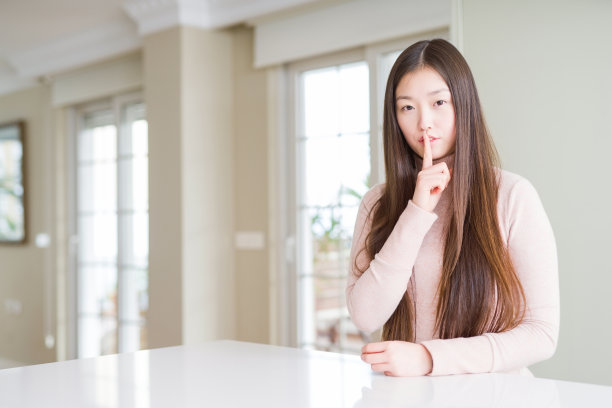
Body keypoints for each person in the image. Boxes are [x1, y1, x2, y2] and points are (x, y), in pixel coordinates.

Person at [346, 39, 559, 377]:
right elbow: (366, 316)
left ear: (465, 104)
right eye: (407, 107)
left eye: (439, 102)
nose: (424, 123)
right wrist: (417, 210)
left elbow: (541, 334)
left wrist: (429, 358)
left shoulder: (513, 195)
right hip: (409, 398)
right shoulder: (378, 202)